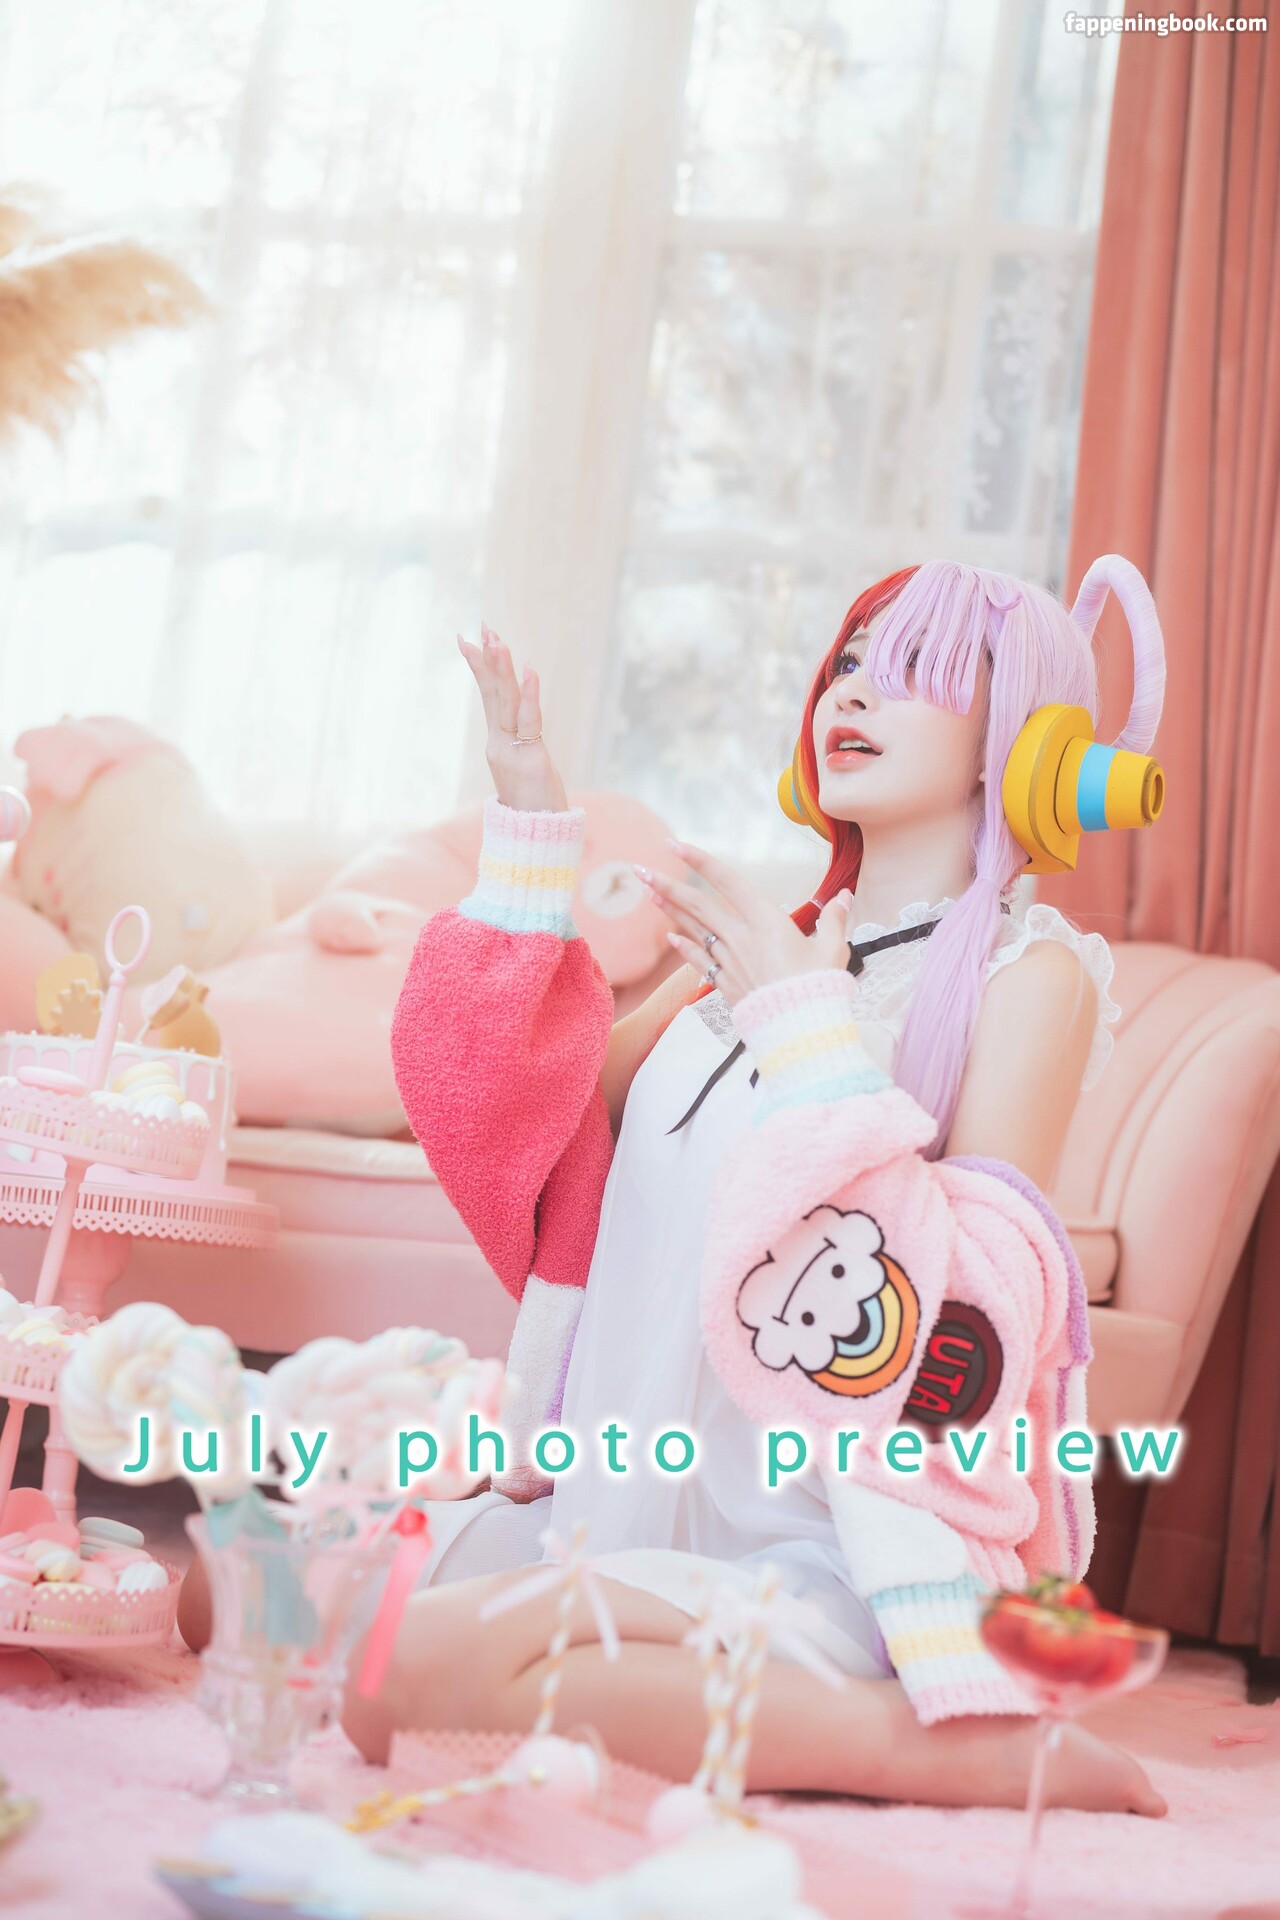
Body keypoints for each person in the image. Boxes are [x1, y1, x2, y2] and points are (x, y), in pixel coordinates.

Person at [181, 560, 1167, 1817]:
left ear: (1018, 739)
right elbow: (534, 1128)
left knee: (396, 1680)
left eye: (912, 671)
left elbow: (977, 1315)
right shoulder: (745, 952)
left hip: (811, 1543)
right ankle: (604, 1654)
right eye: (846, 665)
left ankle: (931, 1743)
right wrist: (530, 829)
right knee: (224, 1586)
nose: (851, 695)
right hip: (616, 1504)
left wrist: (802, 1026)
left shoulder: (1027, 976)